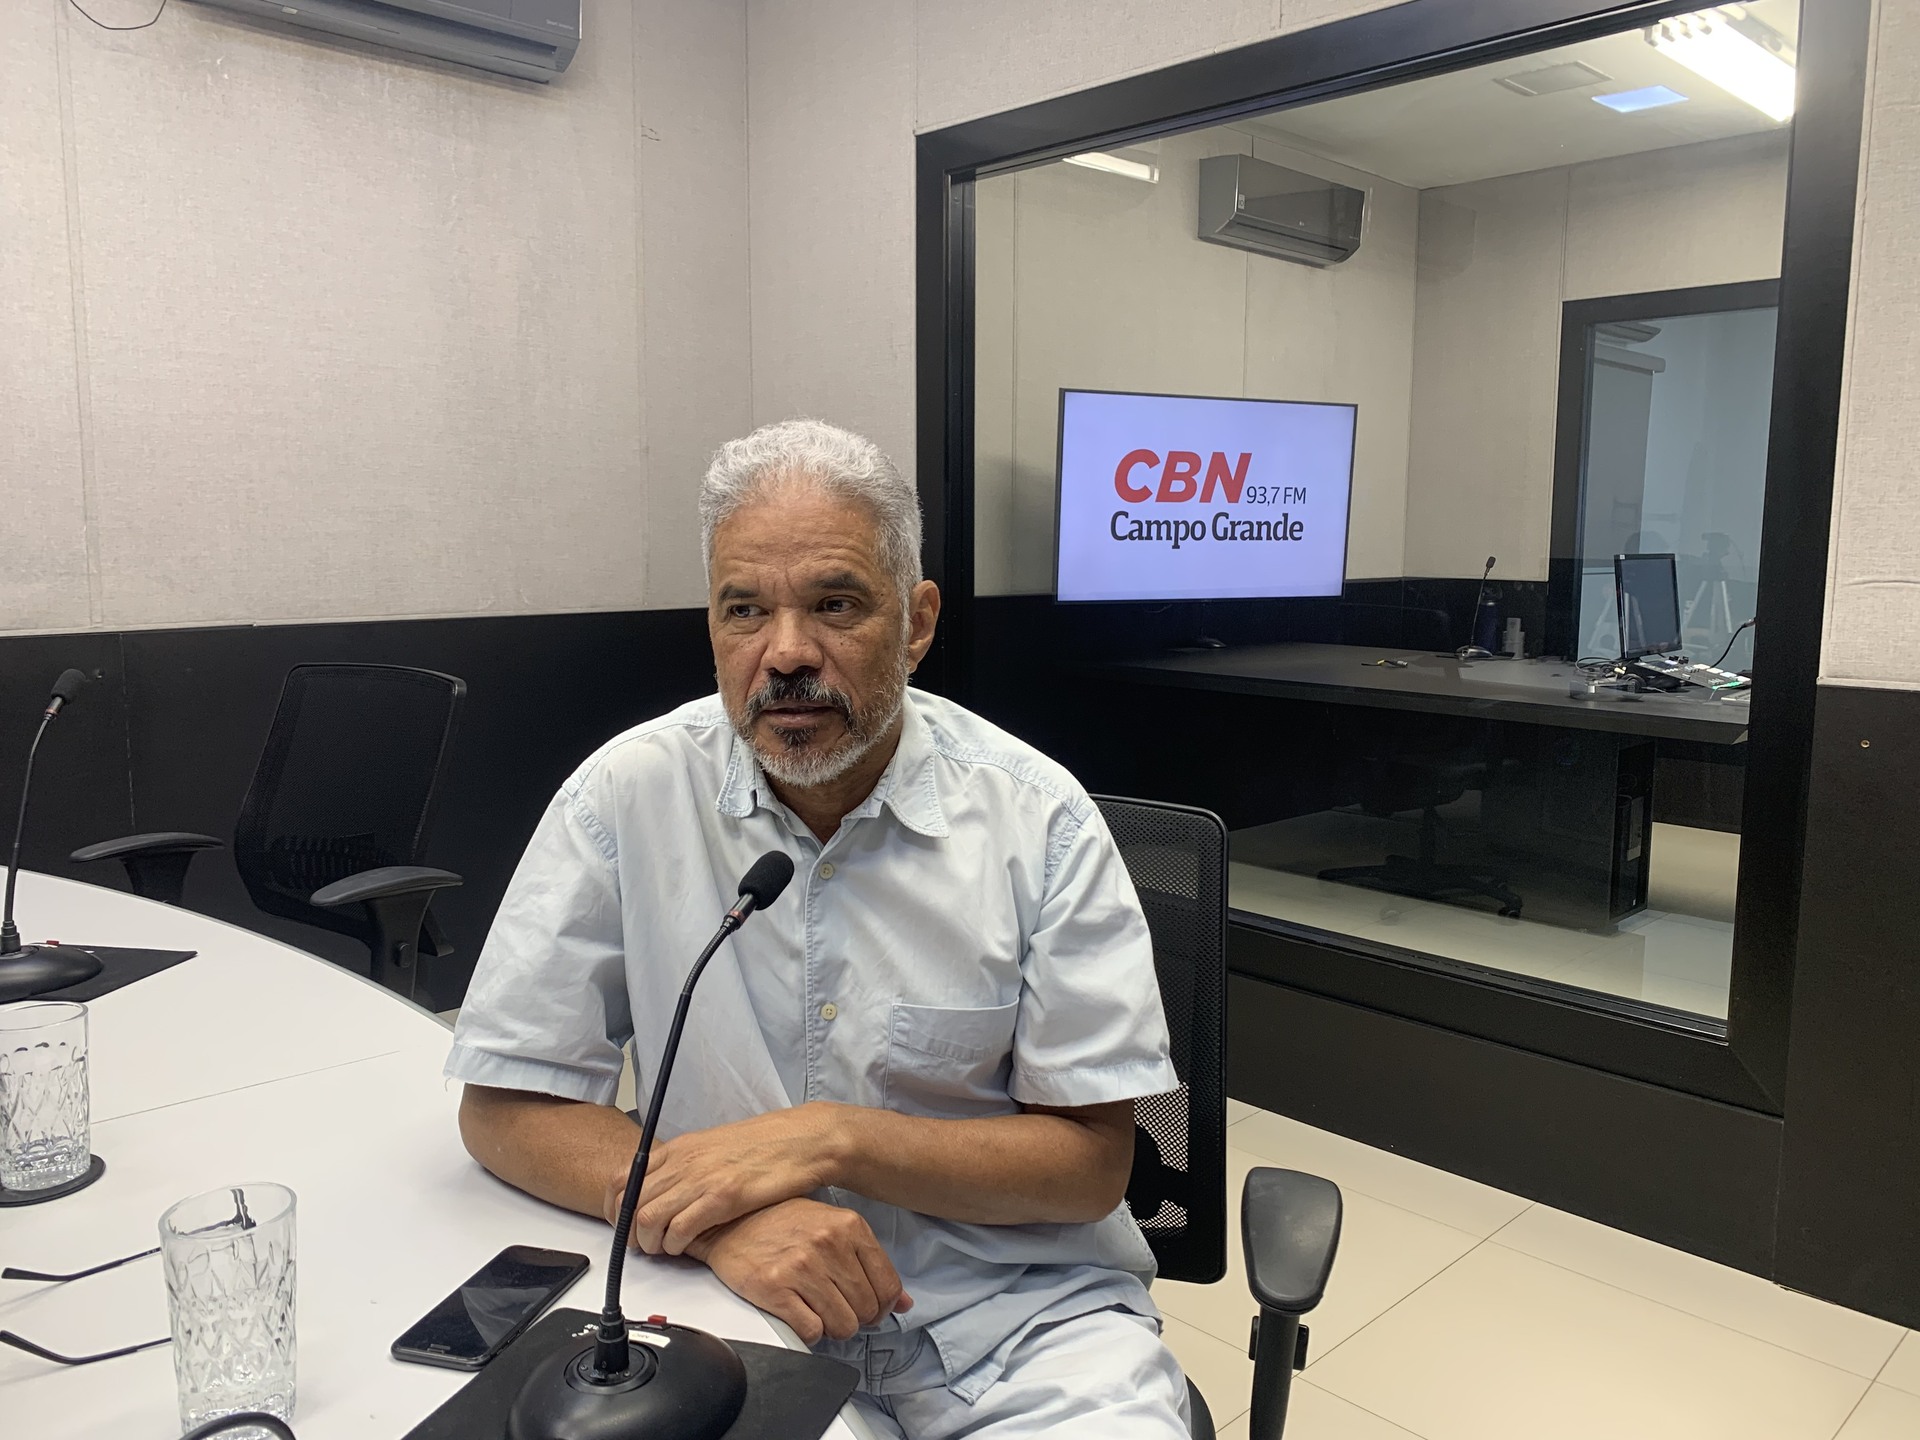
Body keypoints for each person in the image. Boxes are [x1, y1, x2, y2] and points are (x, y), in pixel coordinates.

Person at [446, 418, 1191, 1437]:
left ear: (918, 622)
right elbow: (503, 1102)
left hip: (1018, 1327)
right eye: (745, 610)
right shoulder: (625, 797)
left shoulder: (1041, 821)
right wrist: (723, 1220)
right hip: (736, 1316)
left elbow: (1095, 1165)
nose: (786, 653)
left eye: (834, 604)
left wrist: (830, 1138)